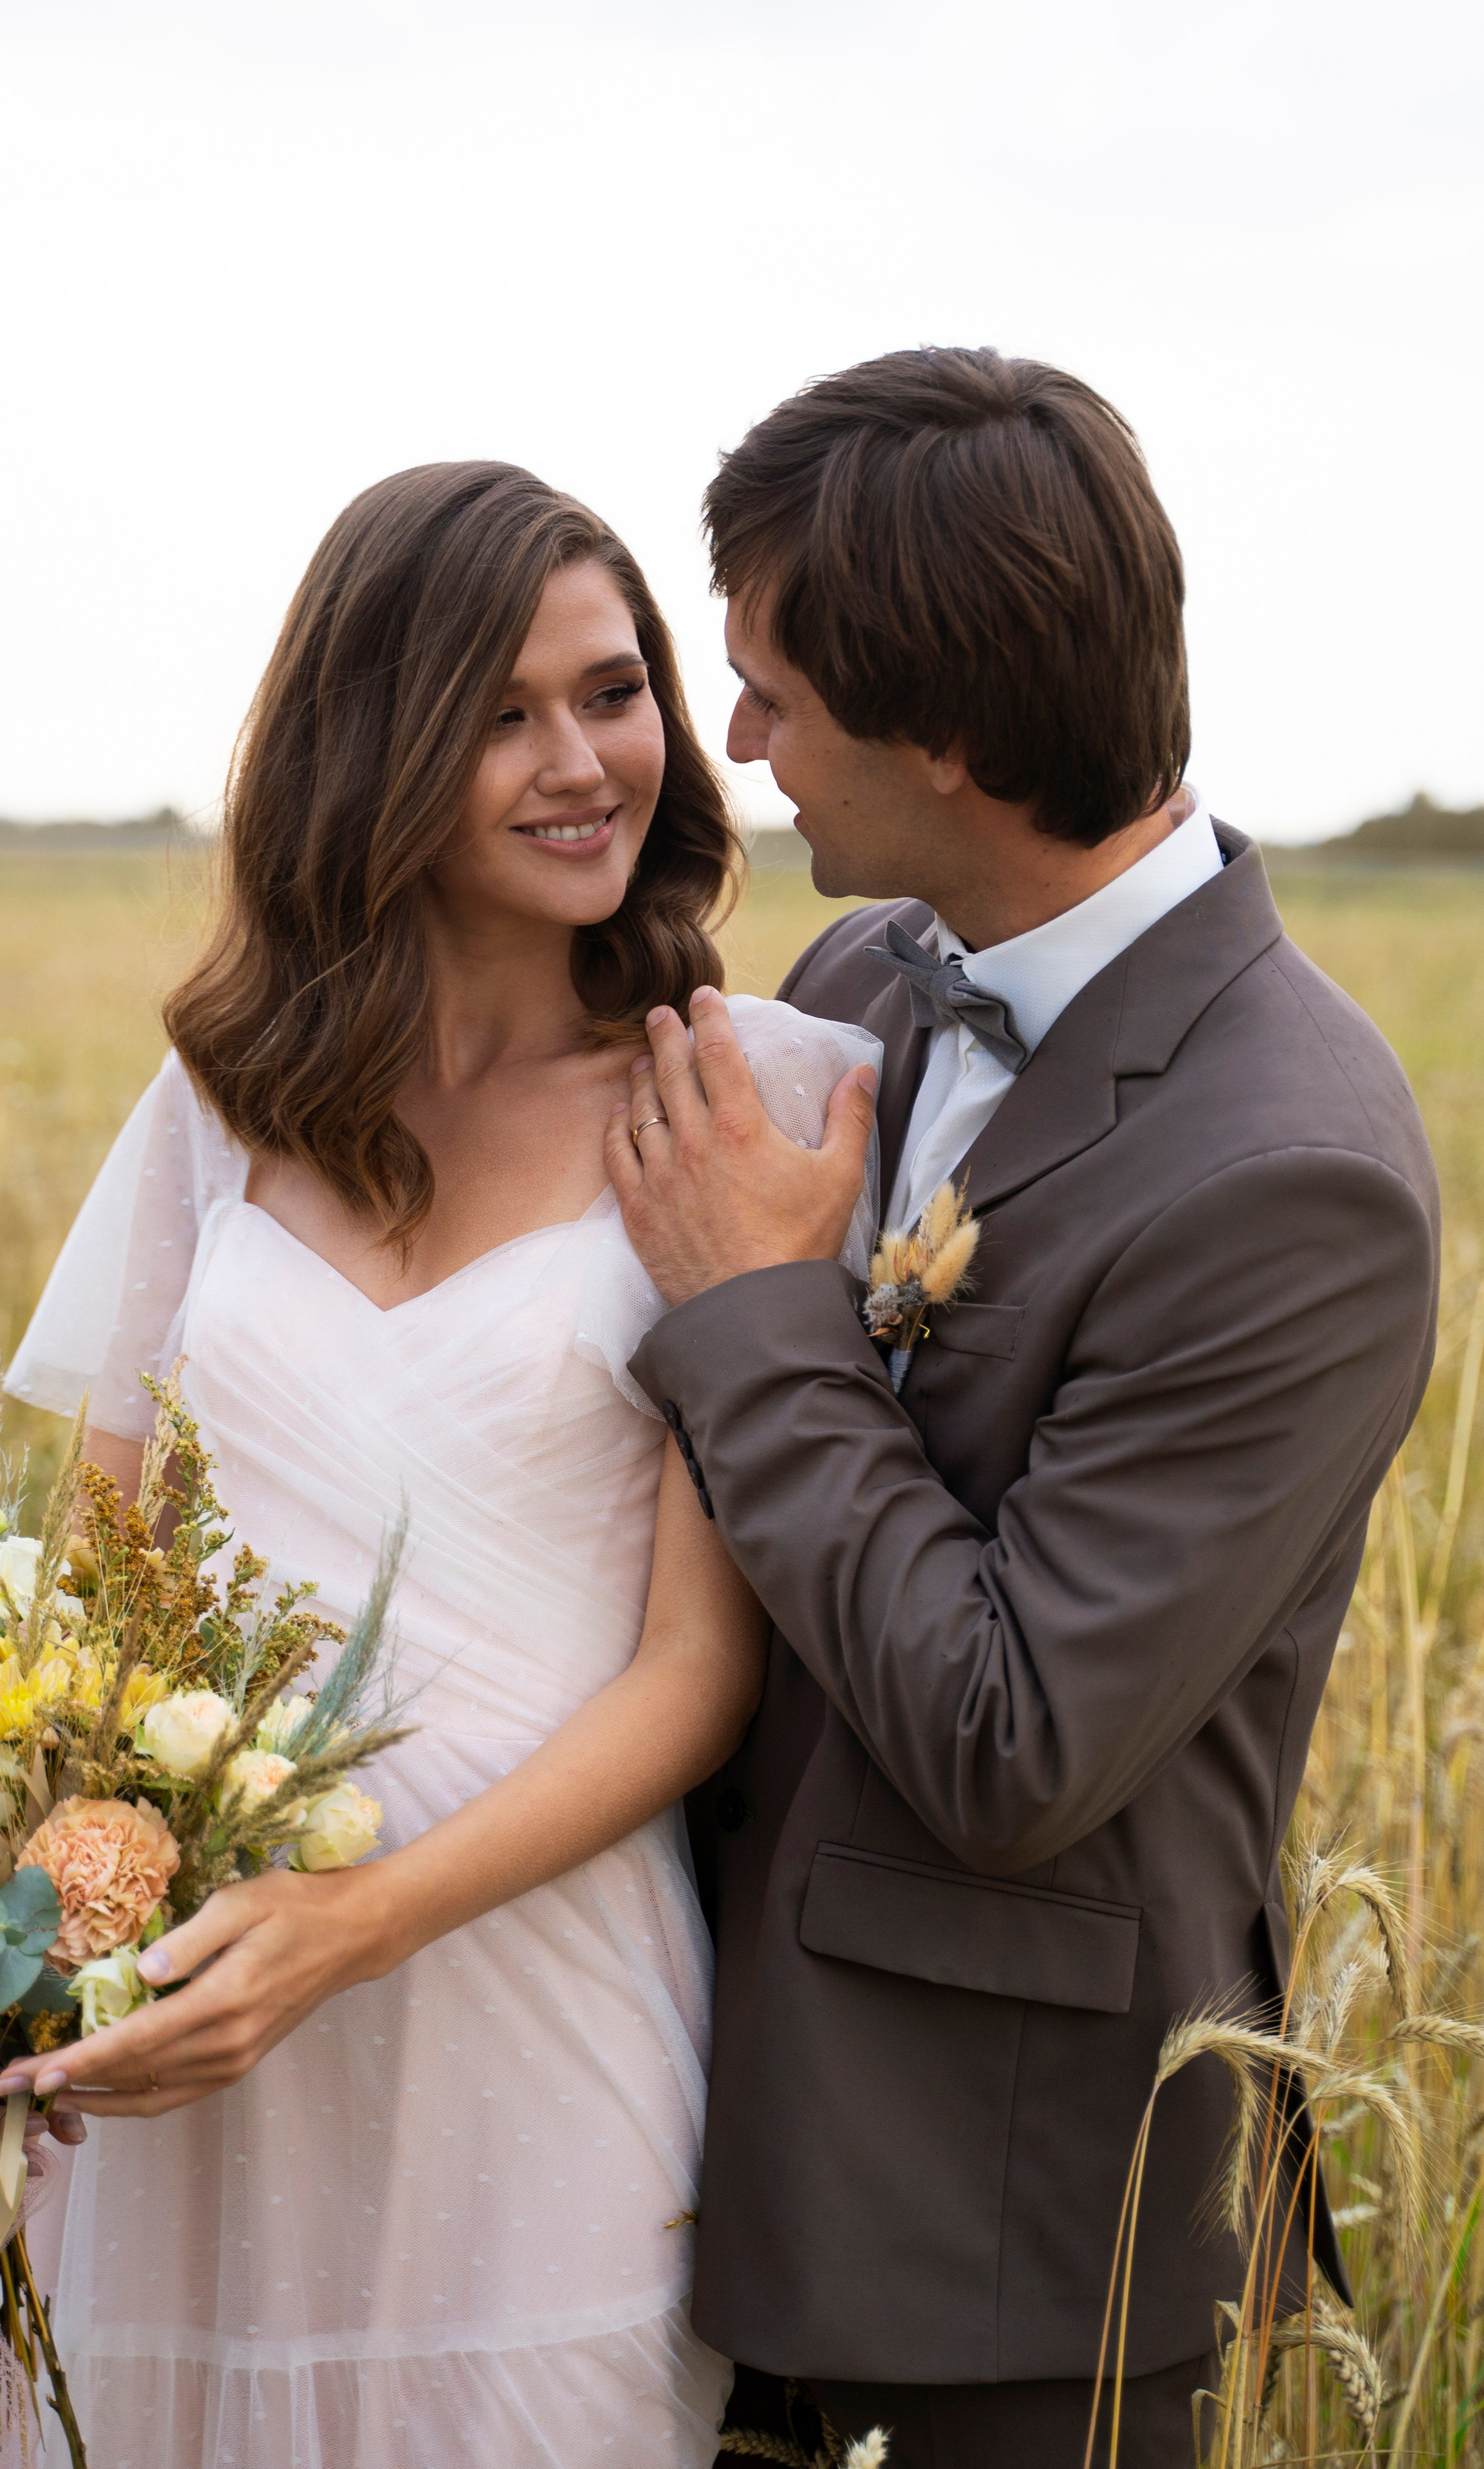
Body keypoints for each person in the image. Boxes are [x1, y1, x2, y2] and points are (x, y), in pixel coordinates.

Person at [0, 462, 880, 2466]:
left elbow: (695, 1668)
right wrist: (11, 1931)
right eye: (497, 713)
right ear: (369, 747)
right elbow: (99, 1587)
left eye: (616, 688)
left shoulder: (761, 1096)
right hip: (196, 2045)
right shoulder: (223, 1106)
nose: (584, 761)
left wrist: (355, 1925)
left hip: (535, 2029)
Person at [606, 347, 1442, 2468]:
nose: (739, 744)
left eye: (775, 693)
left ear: (953, 730)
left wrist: (762, 1314)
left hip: (1000, 2242)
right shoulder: (866, 976)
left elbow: (1013, 1741)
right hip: (676, 2120)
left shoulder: (1295, 1175)